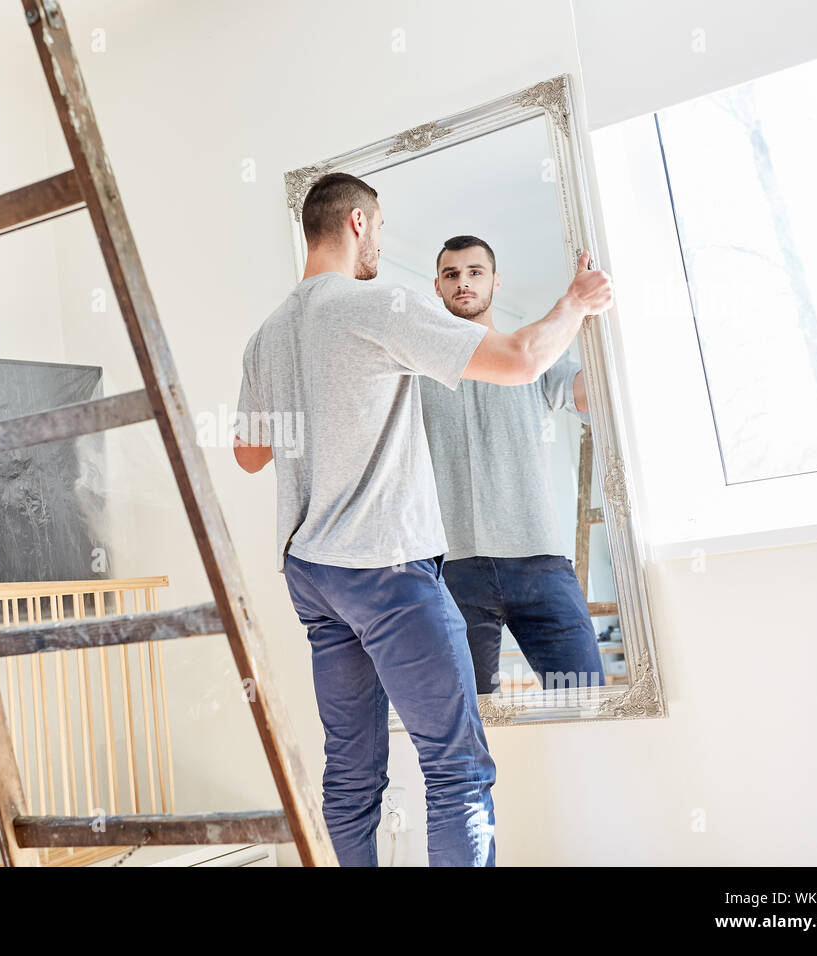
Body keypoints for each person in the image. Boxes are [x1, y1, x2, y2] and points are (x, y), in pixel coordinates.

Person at [231, 173, 613, 866]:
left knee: (350, 777)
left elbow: (249, 455)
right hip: (385, 569)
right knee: (457, 769)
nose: (379, 240)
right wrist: (575, 303)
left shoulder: (269, 333)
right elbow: (523, 360)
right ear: (355, 223)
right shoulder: (377, 305)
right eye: (377, 226)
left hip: (311, 576)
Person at [422, 235, 607, 696]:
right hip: (455, 571)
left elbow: (593, 392)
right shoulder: (417, 375)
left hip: (539, 563)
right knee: (473, 719)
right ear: (438, 288)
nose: (463, 283)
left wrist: (589, 320)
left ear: (495, 281)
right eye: (451, 275)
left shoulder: (536, 358)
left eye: (474, 272)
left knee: (588, 701)